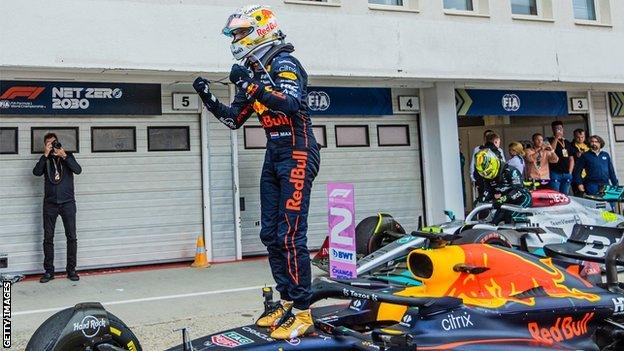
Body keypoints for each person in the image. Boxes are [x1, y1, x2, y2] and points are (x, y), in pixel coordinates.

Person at [192, 5, 320, 339]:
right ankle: (287, 301)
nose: (235, 40)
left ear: (260, 30)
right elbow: (234, 119)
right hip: (274, 153)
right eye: (233, 34)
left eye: (239, 33)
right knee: (270, 235)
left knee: (291, 235)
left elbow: (290, 102)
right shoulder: (253, 69)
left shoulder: (283, 62)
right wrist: (207, 98)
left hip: (298, 151)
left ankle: (304, 311)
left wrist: (250, 85)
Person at [32, 133, 82, 283]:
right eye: (49, 143)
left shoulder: (68, 155)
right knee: (48, 238)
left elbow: (78, 170)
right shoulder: (45, 159)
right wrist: (45, 155)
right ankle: (49, 271)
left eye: (54, 143)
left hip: (67, 203)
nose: (52, 146)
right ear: (45, 145)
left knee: (71, 237)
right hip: (50, 204)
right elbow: (36, 172)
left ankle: (71, 270)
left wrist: (64, 155)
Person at [474, 149, 531, 225]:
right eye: (484, 173)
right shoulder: (489, 178)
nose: (486, 174)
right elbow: (488, 191)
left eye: (487, 171)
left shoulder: (511, 171)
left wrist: (502, 199)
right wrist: (480, 201)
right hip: (505, 203)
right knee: (494, 223)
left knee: (510, 220)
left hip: (521, 199)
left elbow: (518, 190)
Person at [472, 132, 505, 201]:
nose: (499, 145)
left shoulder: (480, 152)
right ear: (495, 141)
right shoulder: (495, 152)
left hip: (481, 181)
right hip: (494, 183)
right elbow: (501, 168)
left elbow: (475, 168)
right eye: (498, 142)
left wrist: (477, 180)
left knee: (483, 202)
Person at [548, 121, 575, 194]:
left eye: (560, 128)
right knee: (555, 194)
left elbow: (571, 158)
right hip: (555, 172)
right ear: (553, 130)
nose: (558, 130)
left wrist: (570, 172)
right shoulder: (549, 140)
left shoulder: (567, 142)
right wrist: (556, 138)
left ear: (563, 129)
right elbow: (551, 150)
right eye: (556, 128)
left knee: (565, 195)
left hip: (566, 173)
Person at [571, 128, 590, 196]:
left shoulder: (589, 146)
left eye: (582, 137)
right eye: (578, 137)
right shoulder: (571, 146)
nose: (580, 139)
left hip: (588, 174)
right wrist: (575, 155)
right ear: (574, 137)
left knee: (589, 194)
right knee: (579, 194)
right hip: (576, 174)